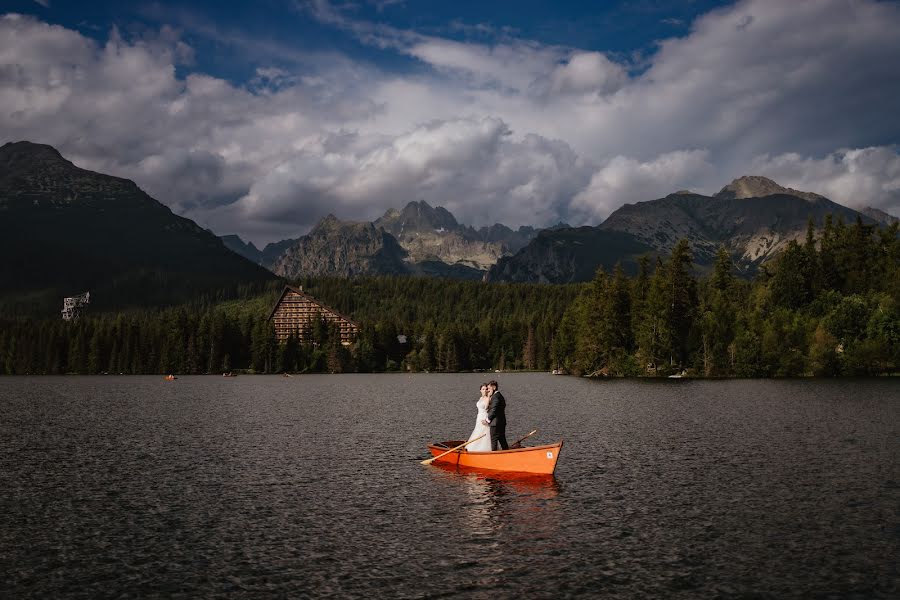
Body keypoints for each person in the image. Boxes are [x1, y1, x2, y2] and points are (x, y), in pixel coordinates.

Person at [465, 383, 493, 452]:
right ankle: (474, 448)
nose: (485, 390)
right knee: (477, 431)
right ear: (480, 390)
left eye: (486, 389)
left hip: (484, 416)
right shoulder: (480, 398)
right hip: (479, 417)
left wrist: (488, 396)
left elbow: (486, 407)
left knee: (484, 432)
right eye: (483, 389)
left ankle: (484, 449)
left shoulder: (488, 398)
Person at [483, 380, 509, 450]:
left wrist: (487, 420)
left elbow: (494, 410)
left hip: (495, 423)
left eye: (489, 388)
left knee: (494, 441)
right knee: (502, 440)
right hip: (501, 422)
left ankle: (494, 457)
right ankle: (507, 455)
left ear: (494, 387)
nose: (488, 390)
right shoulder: (499, 395)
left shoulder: (496, 397)